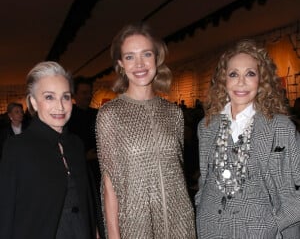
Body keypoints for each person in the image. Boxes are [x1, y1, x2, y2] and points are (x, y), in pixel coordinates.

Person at [96, 23, 196, 238]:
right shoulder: (110, 114)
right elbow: (109, 184)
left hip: (181, 223)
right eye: (130, 57)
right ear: (121, 64)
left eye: (146, 54)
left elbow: (178, 170)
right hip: (136, 226)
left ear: (157, 58)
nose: (139, 64)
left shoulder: (173, 113)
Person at [195, 40, 300, 239]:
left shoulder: (280, 127)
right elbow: (204, 177)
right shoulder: (206, 126)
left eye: (250, 74)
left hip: (262, 231)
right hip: (210, 229)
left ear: (261, 80)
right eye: (233, 74)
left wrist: (274, 222)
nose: (241, 82)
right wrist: (201, 208)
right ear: (223, 80)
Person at [0, 61, 97, 239]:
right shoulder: (17, 147)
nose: (60, 106)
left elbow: (88, 200)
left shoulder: (76, 144)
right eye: (49, 97)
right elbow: (5, 210)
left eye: (66, 96)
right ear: (34, 103)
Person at [68, 75, 105, 238]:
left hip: (100, 170)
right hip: (80, 171)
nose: (87, 96)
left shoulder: (98, 114)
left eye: (89, 92)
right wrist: (84, 156)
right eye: (83, 93)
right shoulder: (67, 117)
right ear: (74, 95)